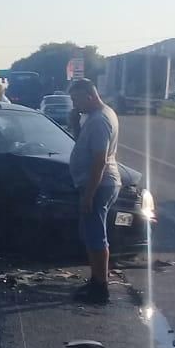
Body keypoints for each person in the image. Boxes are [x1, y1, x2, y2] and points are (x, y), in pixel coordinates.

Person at [67, 78, 121, 304]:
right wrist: (75, 124)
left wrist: (89, 194)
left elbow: (99, 161)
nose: (74, 104)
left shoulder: (100, 121)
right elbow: (85, 147)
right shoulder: (96, 116)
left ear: (90, 96)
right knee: (91, 234)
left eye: (76, 99)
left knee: (96, 236)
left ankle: (101, 288)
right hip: (97, 183)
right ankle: (96, 280)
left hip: (99, 185)